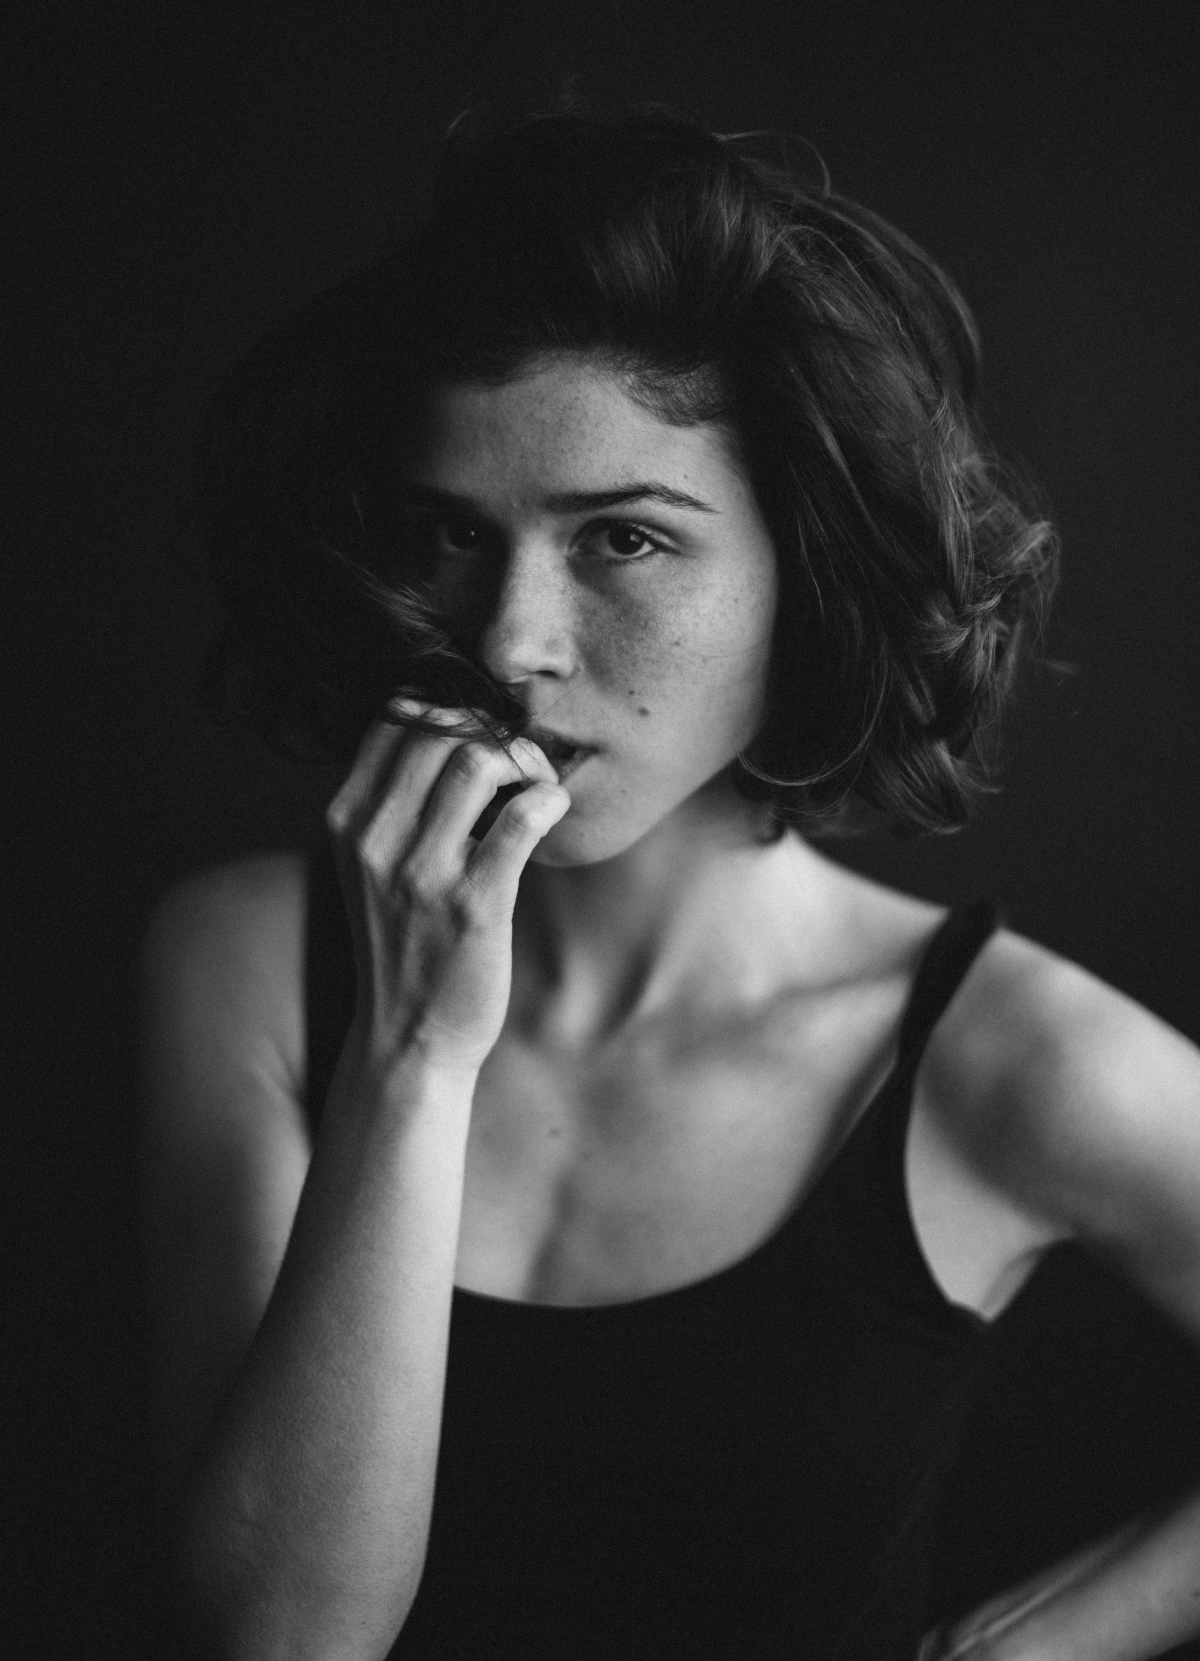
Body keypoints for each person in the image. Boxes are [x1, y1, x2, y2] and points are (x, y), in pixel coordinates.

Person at [138, 103, 1200, 1660]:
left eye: (624, 541)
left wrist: (1031, 1645)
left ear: (809, 575)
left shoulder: (1004, 1061)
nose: (509, 642)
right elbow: (283, 1638)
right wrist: (414, 1059)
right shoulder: (244, 959)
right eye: (451, 533)